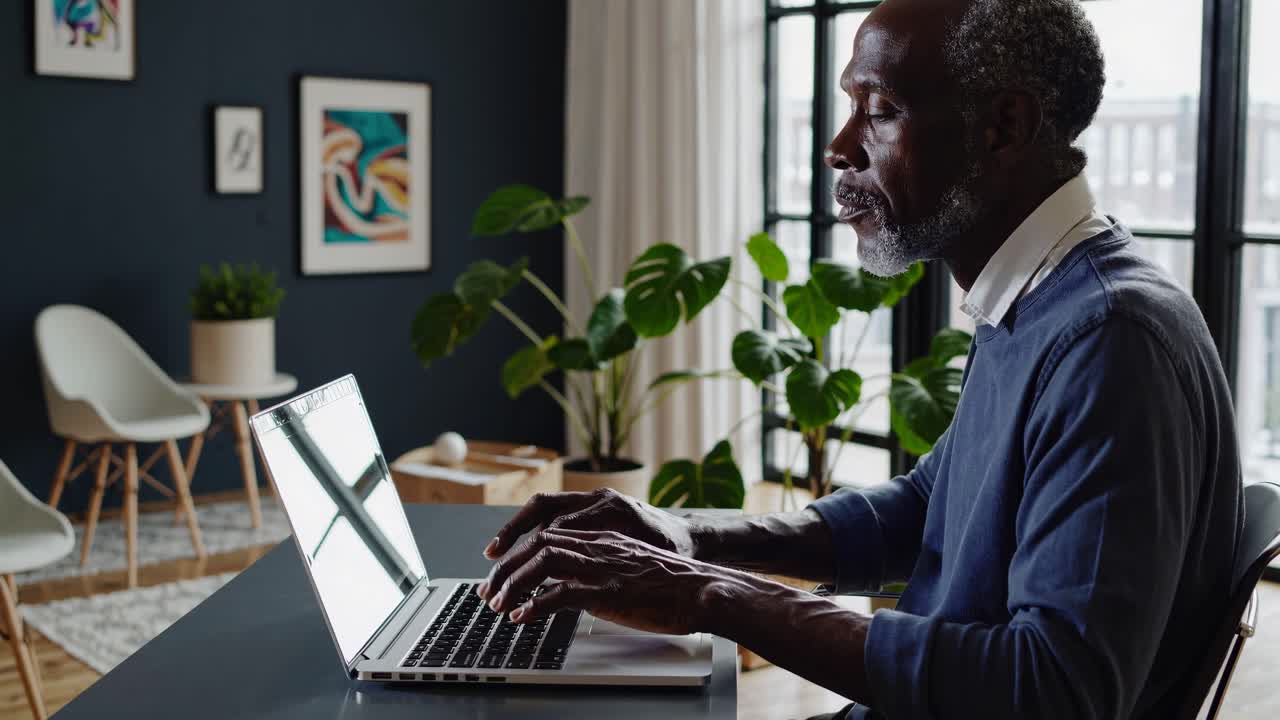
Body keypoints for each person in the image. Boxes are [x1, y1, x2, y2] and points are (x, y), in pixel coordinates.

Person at [476, 0, 1245, 717]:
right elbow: (921, 511)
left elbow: (1052, 689)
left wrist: (708, 594)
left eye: (880, 112)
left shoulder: (1110, 340)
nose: (840, 148)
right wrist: (686, 536)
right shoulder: (1040, 302)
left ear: (1004, 127)